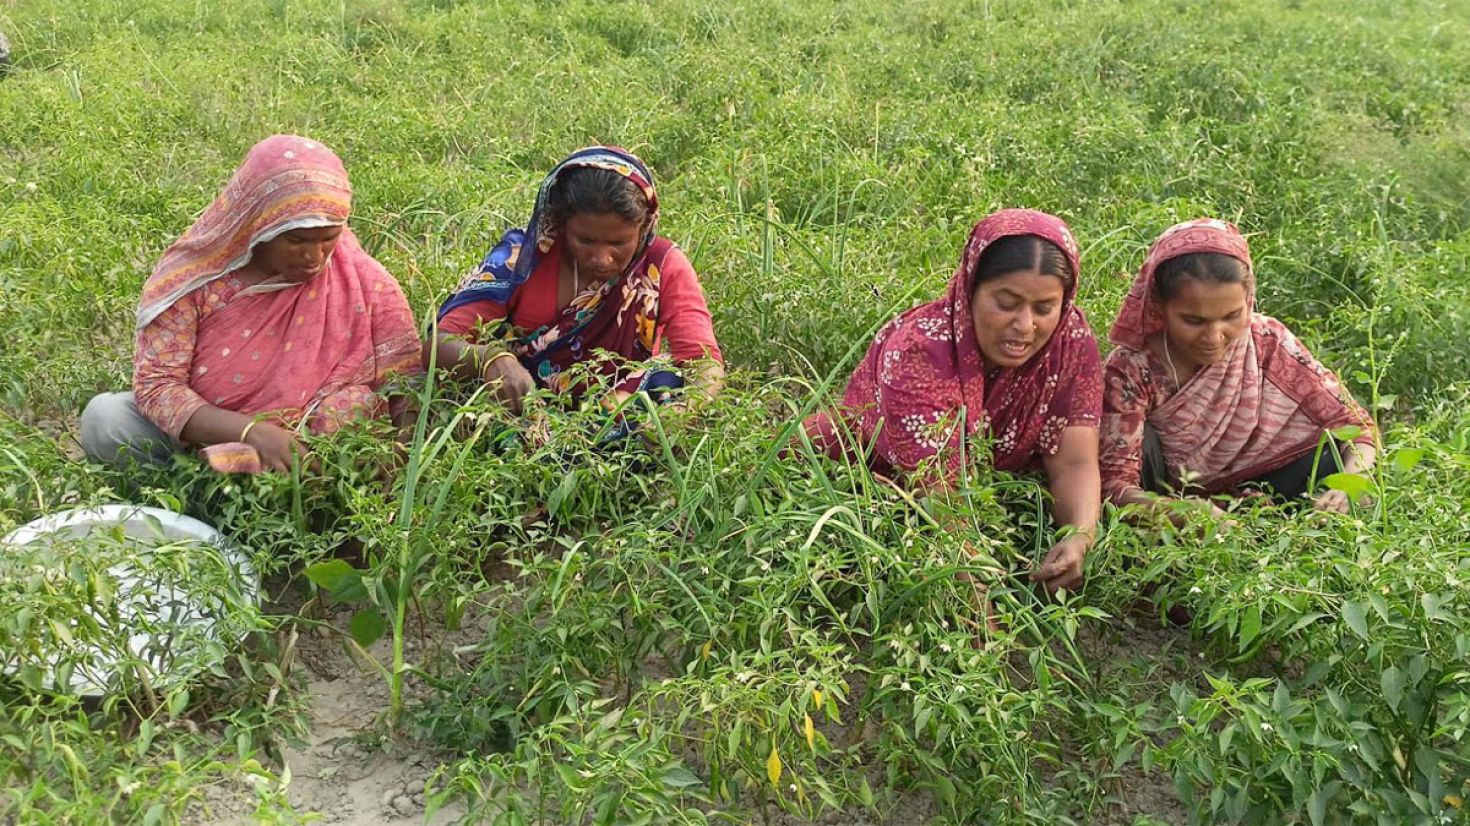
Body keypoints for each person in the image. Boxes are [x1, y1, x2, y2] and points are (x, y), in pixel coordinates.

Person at [80, 135, 423, 474]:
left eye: (328, 239)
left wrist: (400, 460)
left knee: (351, 409)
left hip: (313, 455)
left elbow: (404, 377)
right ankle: (196, 504)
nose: (314, 257)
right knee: (108, 420)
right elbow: (158, 386)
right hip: (207, 441)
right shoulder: (197, 279)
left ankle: (303, 511)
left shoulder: (360, 277)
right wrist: (252, 433)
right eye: (296, 240)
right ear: (258, 223)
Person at [804, 209, 1103, 596]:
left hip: (983, 491)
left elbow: (1075, 459)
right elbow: (940, 498)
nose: (1025, 324)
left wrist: (1079, 537)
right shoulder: (921, 351)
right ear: (970, 289)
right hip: (861, 481)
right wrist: (981, 608)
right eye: (1006, 303)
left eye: (1044, 308)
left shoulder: (1070, 341)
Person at [1099, 218, 1377, 520]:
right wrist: (1183, 514)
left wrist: (1352, 484)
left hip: (1278, 484)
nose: (1214, 337)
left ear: (1248, 299)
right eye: (1193, 321)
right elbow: (1111, 485)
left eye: (1232, 316)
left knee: (1336, 455)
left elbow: (1356, 426)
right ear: (1159, 307)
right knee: (1144, 445)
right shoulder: (1132, 370)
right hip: (1170, 498)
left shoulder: (1266, 341)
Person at [425, 146, 723, 418]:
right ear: (561, 223)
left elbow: (702, 359)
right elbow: (438, 344)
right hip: (524, 410)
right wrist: (491, 359)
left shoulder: (661, 264)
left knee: (665, 380)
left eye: (618, 243)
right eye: (585, 240)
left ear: (644, 227)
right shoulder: (522, 260)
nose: (602, 258)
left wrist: (686, 412)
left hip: (619, 414)